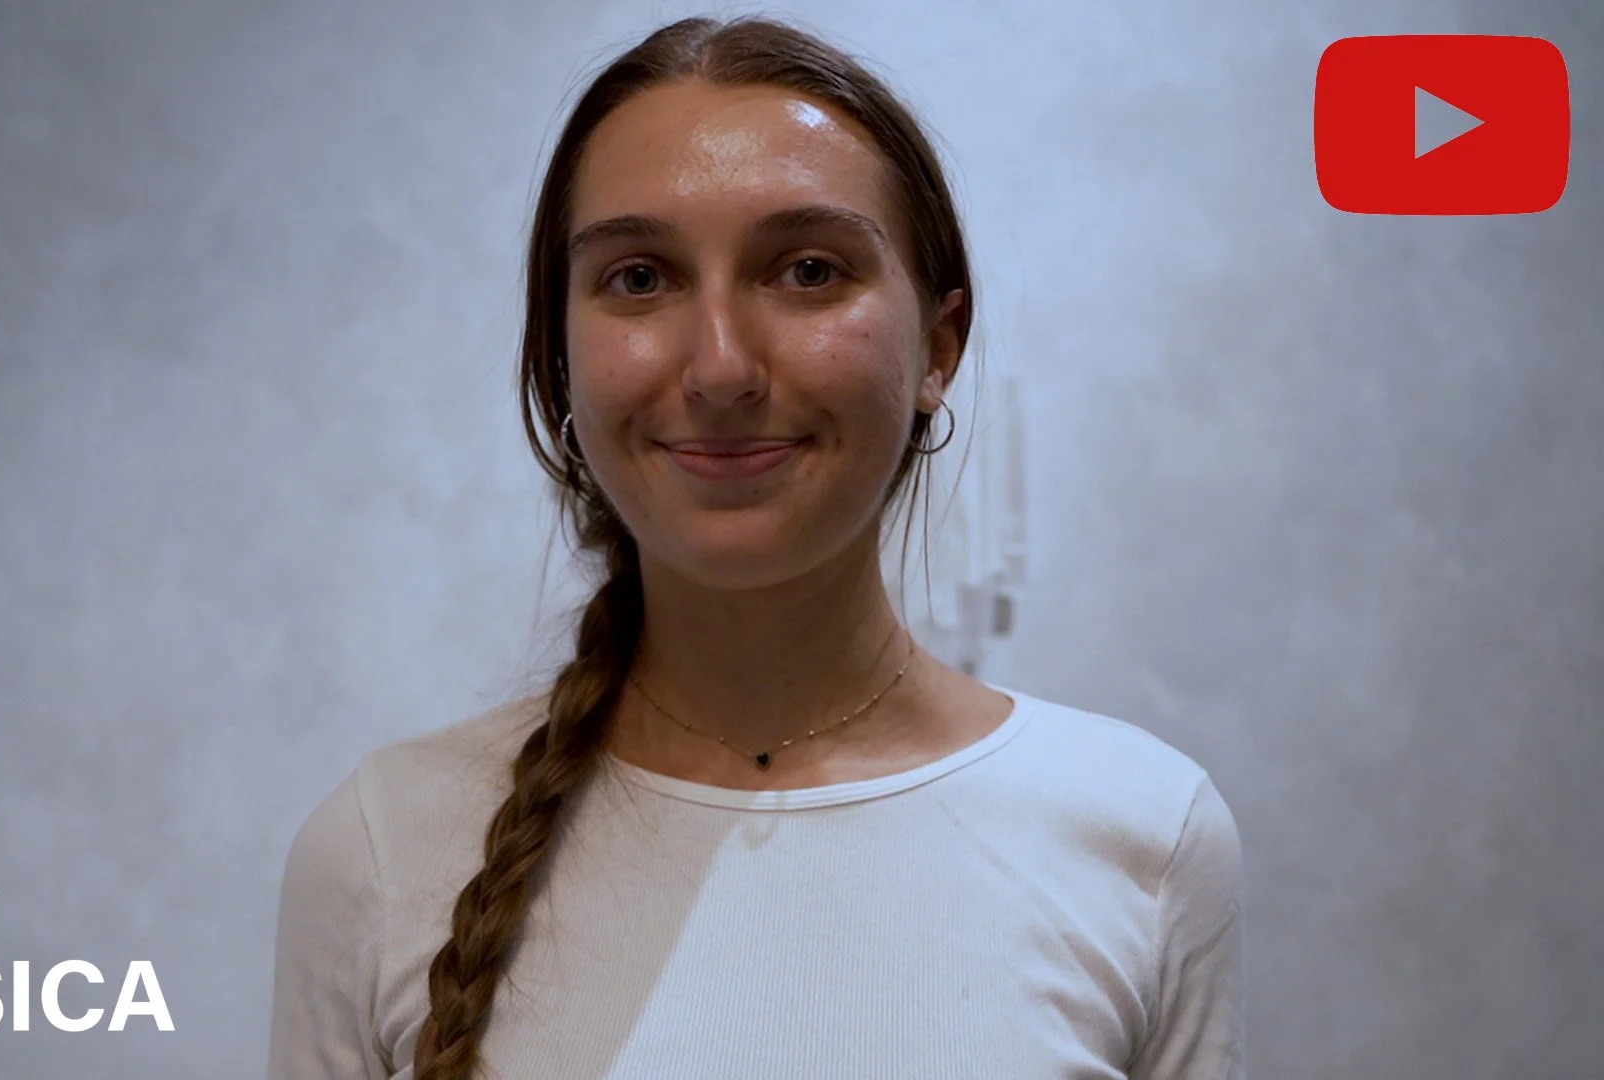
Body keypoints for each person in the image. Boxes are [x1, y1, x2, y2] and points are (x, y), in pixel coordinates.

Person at [269, 14, 1244, 1080]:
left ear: (940, 346)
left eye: (809, 271)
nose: (721, 367)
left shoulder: (1139, 835)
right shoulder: (379, 852)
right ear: (560, 352)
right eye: (640, 279)